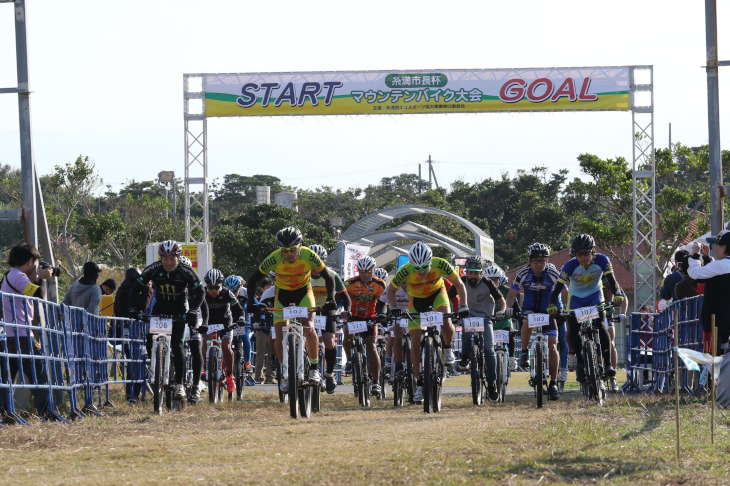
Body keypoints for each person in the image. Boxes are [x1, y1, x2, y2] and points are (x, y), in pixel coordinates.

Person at [245, 226, 336, 392]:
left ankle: (314, 369)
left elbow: (329, 277)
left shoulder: (309, 255)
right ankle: (285, 371)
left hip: (304, 293)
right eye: (284, 250)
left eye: (293, 249)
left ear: (300, 246)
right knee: (279, 335)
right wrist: (252, 302)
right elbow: (252, 280)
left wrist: (331, 298)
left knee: (308, 327)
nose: (289, 254)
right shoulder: (274, 258)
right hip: (283, 295)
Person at [386, 242, 468, 403]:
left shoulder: (441, 264)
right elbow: (391, 290)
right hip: (416, 301)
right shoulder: (405, 271)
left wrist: (464, 305)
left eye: (425, 267)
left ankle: (447, 348)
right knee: (415, 344)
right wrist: (394, 307)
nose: (422, 271)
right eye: (417, 268)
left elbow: (459, 284)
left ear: (430, 261)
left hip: (437, 294)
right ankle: (420, 384)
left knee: (446, 319)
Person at [128, 240, 204, 400]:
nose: (169, 263)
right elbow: (136, 288)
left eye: (173, 259)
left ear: (178, 257)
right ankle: (157, 368)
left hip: (179, 309)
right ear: (160, 258)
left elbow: (200, 292)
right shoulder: (153, 269)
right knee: (149, 341)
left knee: (177, 345)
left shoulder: (187, 271)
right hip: (160, 308)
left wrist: (193, 310)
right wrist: (133, 308)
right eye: (165, 259)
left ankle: (180, 385)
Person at [547, 234, 625, 388]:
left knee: (601, 325)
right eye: (578, 254)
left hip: (595, 296)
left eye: (586, 253)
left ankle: (608, 364)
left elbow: (612, 281)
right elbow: (556, 289)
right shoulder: (569, 266)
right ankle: (581, 364)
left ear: (593, 251)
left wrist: (617, 295)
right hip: (576, 298)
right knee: (573, 329)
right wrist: (551, 304)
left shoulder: (603, 260)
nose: (583, 257)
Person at [0, 242, 54, 418]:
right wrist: (44, 278)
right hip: (22, 335)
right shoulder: (19, 277)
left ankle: (7, 415)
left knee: (7, 381)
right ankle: (46, 413)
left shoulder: (9, 276)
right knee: (40, 377)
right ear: (30, 261)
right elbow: (40, 296)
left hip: (9, 336)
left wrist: (39, 278)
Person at [505, 243, 563, 400]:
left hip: (548, 311)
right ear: (530, 261)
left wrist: (564, 308)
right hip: (529, 309)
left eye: (543, 260)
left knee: (552, 345)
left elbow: (565, 291)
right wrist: (509, 307)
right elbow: (512, 293)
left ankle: (554, 383)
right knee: (527, 322)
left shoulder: (552, 272)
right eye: (536, 260)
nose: (539, 264)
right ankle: (524, 352)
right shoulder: (523, 273)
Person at [458, 256, 507, 401]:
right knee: (466, 330)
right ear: (466, 272)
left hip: (486, 319)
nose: (473, 276)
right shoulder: (460, 282)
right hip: (468, 317)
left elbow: (501, 301)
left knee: (489, 350)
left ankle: (491, 383)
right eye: (470, 273)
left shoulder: (488, 283)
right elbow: (448, 297)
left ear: (481, 273)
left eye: (476, 273)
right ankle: (465, 356)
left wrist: (501, 311)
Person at [309, 244, 351, 394]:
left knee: (329, 341)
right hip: (308, 310)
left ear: (324, 262)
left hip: (327, 310)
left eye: (319, 261)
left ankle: (329, 374)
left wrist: (347, 310)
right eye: (313, 261)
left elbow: (345, 297)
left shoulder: (332, 275)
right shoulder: (304, 275)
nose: (315, 265)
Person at [343, 255, 387, 398]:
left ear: (373, 270)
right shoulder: (350, 283)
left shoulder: (380, 284)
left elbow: (384, 302)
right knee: (347, 335)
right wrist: (343, 311)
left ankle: (376, 382)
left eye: (368, 271)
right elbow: (341, 299)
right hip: (354, 317)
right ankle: (350, 360)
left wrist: (382, 315)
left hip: (370, 318)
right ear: (358, 271)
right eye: (362, 271)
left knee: (371, 346)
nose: (365, 274)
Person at [113, 267, 152, 403]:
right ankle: (134, 394)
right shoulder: (141, 290)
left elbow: (116, 309)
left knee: (130, 361)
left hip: (122, 329)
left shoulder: (121, 289)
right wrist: (148, 288)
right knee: (138, 361)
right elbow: (145, 305)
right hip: (137, 329)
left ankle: (131, 395)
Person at [687, 231, 730, 354]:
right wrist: (706, 258)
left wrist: (695, 255)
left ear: (723, 248)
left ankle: (712, 374)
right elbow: (714, 274)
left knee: (712, 359)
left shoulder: (721, 265)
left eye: (716, 244)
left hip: (716, 322)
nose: (713, 247)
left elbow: (695, 274)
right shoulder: (720, 266)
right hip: (726, 321)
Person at [203, 269, 244, 397]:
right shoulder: (202, 293)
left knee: (226, 346)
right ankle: (206, 369)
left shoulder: (227, 293)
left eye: (217, 287)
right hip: (208, 322)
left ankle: (230, 375)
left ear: (222, 285)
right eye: (210, 287)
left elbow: (239, 310)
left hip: (225, 321)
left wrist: (241, 319)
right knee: (204, 341)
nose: (213, 290)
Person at [253, 276, 275, 384]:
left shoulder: (276, 299)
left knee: (272, 355)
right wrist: (256, 324)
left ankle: (270, 378)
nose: (270, 290)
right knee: (260, 355)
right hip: (262, 331)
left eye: (271, 287)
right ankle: (258, 378)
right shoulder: (260, 301)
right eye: (267, 288)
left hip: (274, 330)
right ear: (262, 289)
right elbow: (255, 315)